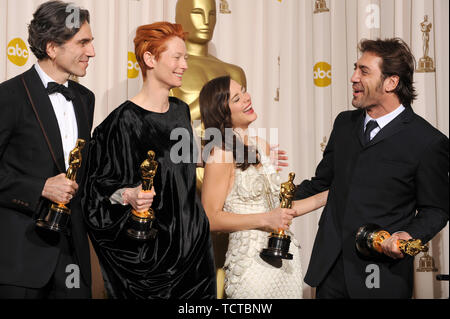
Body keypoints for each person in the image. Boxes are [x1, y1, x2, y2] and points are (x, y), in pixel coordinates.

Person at [293, 38, 449, 298]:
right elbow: (322, 184)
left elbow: (436, 210)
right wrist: (266, 191)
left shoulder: (427, 142)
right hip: (330, 270)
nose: (353, 77)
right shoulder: (344, 124)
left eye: (364, 71)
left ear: (391, 82)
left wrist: (406, 236)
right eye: (355, 68)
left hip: (382, 276)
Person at [82, 22, 216, 299]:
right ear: (150, 59)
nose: (184, 65)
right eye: (176, 57)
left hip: (195, 254)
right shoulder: (123, 122)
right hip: (151, 262)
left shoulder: (180, 111)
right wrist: (129, 194)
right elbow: (98, 192)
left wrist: (247, 150)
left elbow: (186, 162)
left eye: (185, 58)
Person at [199, 75, 328, 299]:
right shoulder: (220, 153)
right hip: (250, 267)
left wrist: (330, 195)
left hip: (286, 263)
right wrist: (266, 219)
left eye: (244, 91)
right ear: (223, 112)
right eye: (237, 98)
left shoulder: (262, 146)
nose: (247, 98)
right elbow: (210, 218)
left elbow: (280, 210)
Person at [0, 0, 95, 298]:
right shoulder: (9, 96)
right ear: (52, 48)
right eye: (83, 42)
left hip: (72, 256)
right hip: (21, 259)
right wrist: (39, 187)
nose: (92, 51)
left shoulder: (84, 99)